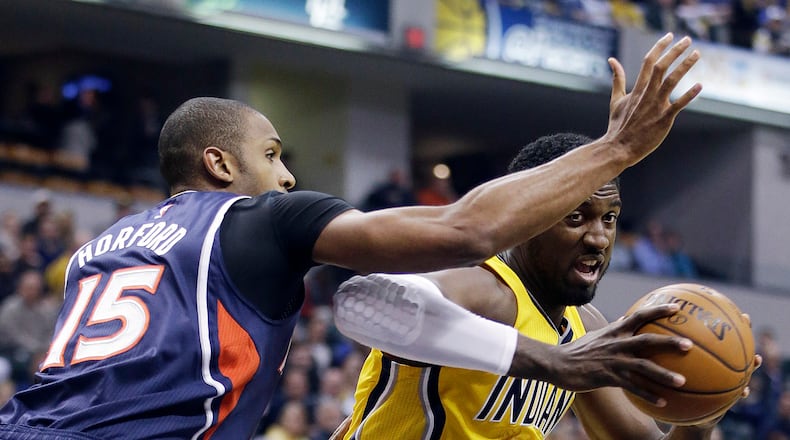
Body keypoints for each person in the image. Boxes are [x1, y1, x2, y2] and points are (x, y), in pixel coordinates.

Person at [1, 33, 702, 439]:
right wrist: (618, 148)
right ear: (219, 163)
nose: (285, 176)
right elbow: (460, 234)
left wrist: (707, 397)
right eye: (273, 154)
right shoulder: (265, 217)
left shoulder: (105, 245)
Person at [334, 133, 761, 439]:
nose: (598, 237)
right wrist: (553, 362)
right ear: (526, 217)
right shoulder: (485, 289)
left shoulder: (585, 327)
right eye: (575, 216)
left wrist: (700, 418)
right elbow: (374, 301)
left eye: (609, 218)